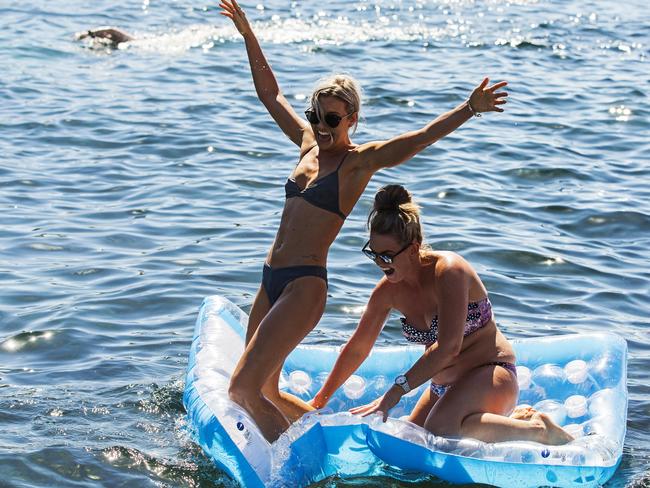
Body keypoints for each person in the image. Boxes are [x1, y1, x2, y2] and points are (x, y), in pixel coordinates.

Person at [219, 0, 509, 443]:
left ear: (352, 119)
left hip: (303, 285)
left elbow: (418, 140)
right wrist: (248, 35)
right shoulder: (306, 145)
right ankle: (327, 442)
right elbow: (269, 95)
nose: (321, 125)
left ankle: (292, 470)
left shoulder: (357, 163)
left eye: (332, 119)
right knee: (265, 389)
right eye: (316, 116)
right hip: (270, 279)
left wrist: (467, 109)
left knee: (241, 388)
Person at [310, 185, 574, 445]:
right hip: (442, 388)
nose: (380, 262)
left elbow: (449, 347)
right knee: (409, 442)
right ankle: (508, 421)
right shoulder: (387, 291)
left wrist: (395, 392)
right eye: (374, 253)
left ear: (413, 249)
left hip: (490, 373)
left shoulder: (448, 271)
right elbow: (358, 347)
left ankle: (538, 429)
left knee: (439, 428)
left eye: (387, 256)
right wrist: (319, 400)